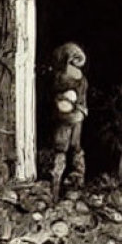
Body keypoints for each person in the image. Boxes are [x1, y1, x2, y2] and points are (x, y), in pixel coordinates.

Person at [49, 42, 88, 200]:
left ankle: (76, 186)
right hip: (65, 120)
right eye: (72, 60)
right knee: (61, 150)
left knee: (75, 149)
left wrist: (81, 110)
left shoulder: (82, 80)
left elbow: (82, 98)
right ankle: (55, 189)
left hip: (76, 118)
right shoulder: (60, 78)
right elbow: (58, 101)